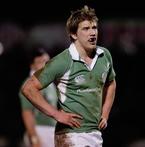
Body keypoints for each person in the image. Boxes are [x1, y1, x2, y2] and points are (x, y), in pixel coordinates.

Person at [21, 5, 116, 147]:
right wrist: (56, 114)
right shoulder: (62, 61)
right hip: (71, 135)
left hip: (95, 134)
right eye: (86, 29)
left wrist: (105, 113)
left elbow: (111, 83)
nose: (92, 33)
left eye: (94, 28)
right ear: (73, 34)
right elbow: (28, 88)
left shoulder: (104, 56)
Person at [19, 48, 58, 147]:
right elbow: (27, 113)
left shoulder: (49, 83)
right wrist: (34, 138)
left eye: (47, 61)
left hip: (51, 130)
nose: (45, 64)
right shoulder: (29, 85)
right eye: (40, 62)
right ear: (32, 65)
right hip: (40, 130)